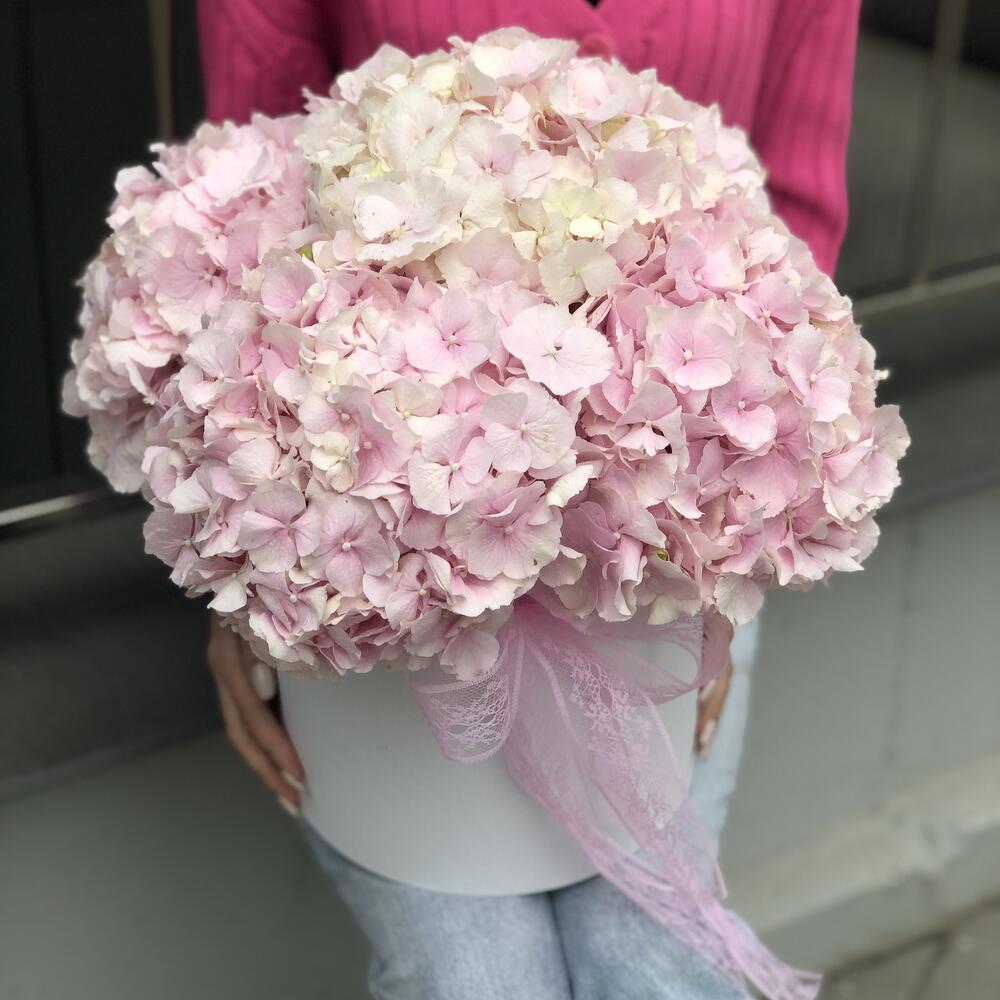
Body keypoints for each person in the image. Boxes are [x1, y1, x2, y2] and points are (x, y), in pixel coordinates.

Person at [200, 2, 862, 996]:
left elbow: (796, 223)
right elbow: (234, 223)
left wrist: (731, 541)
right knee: (477, 978)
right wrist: (234, 575)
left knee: (652, 968)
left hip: (659, 566)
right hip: (384, 570)